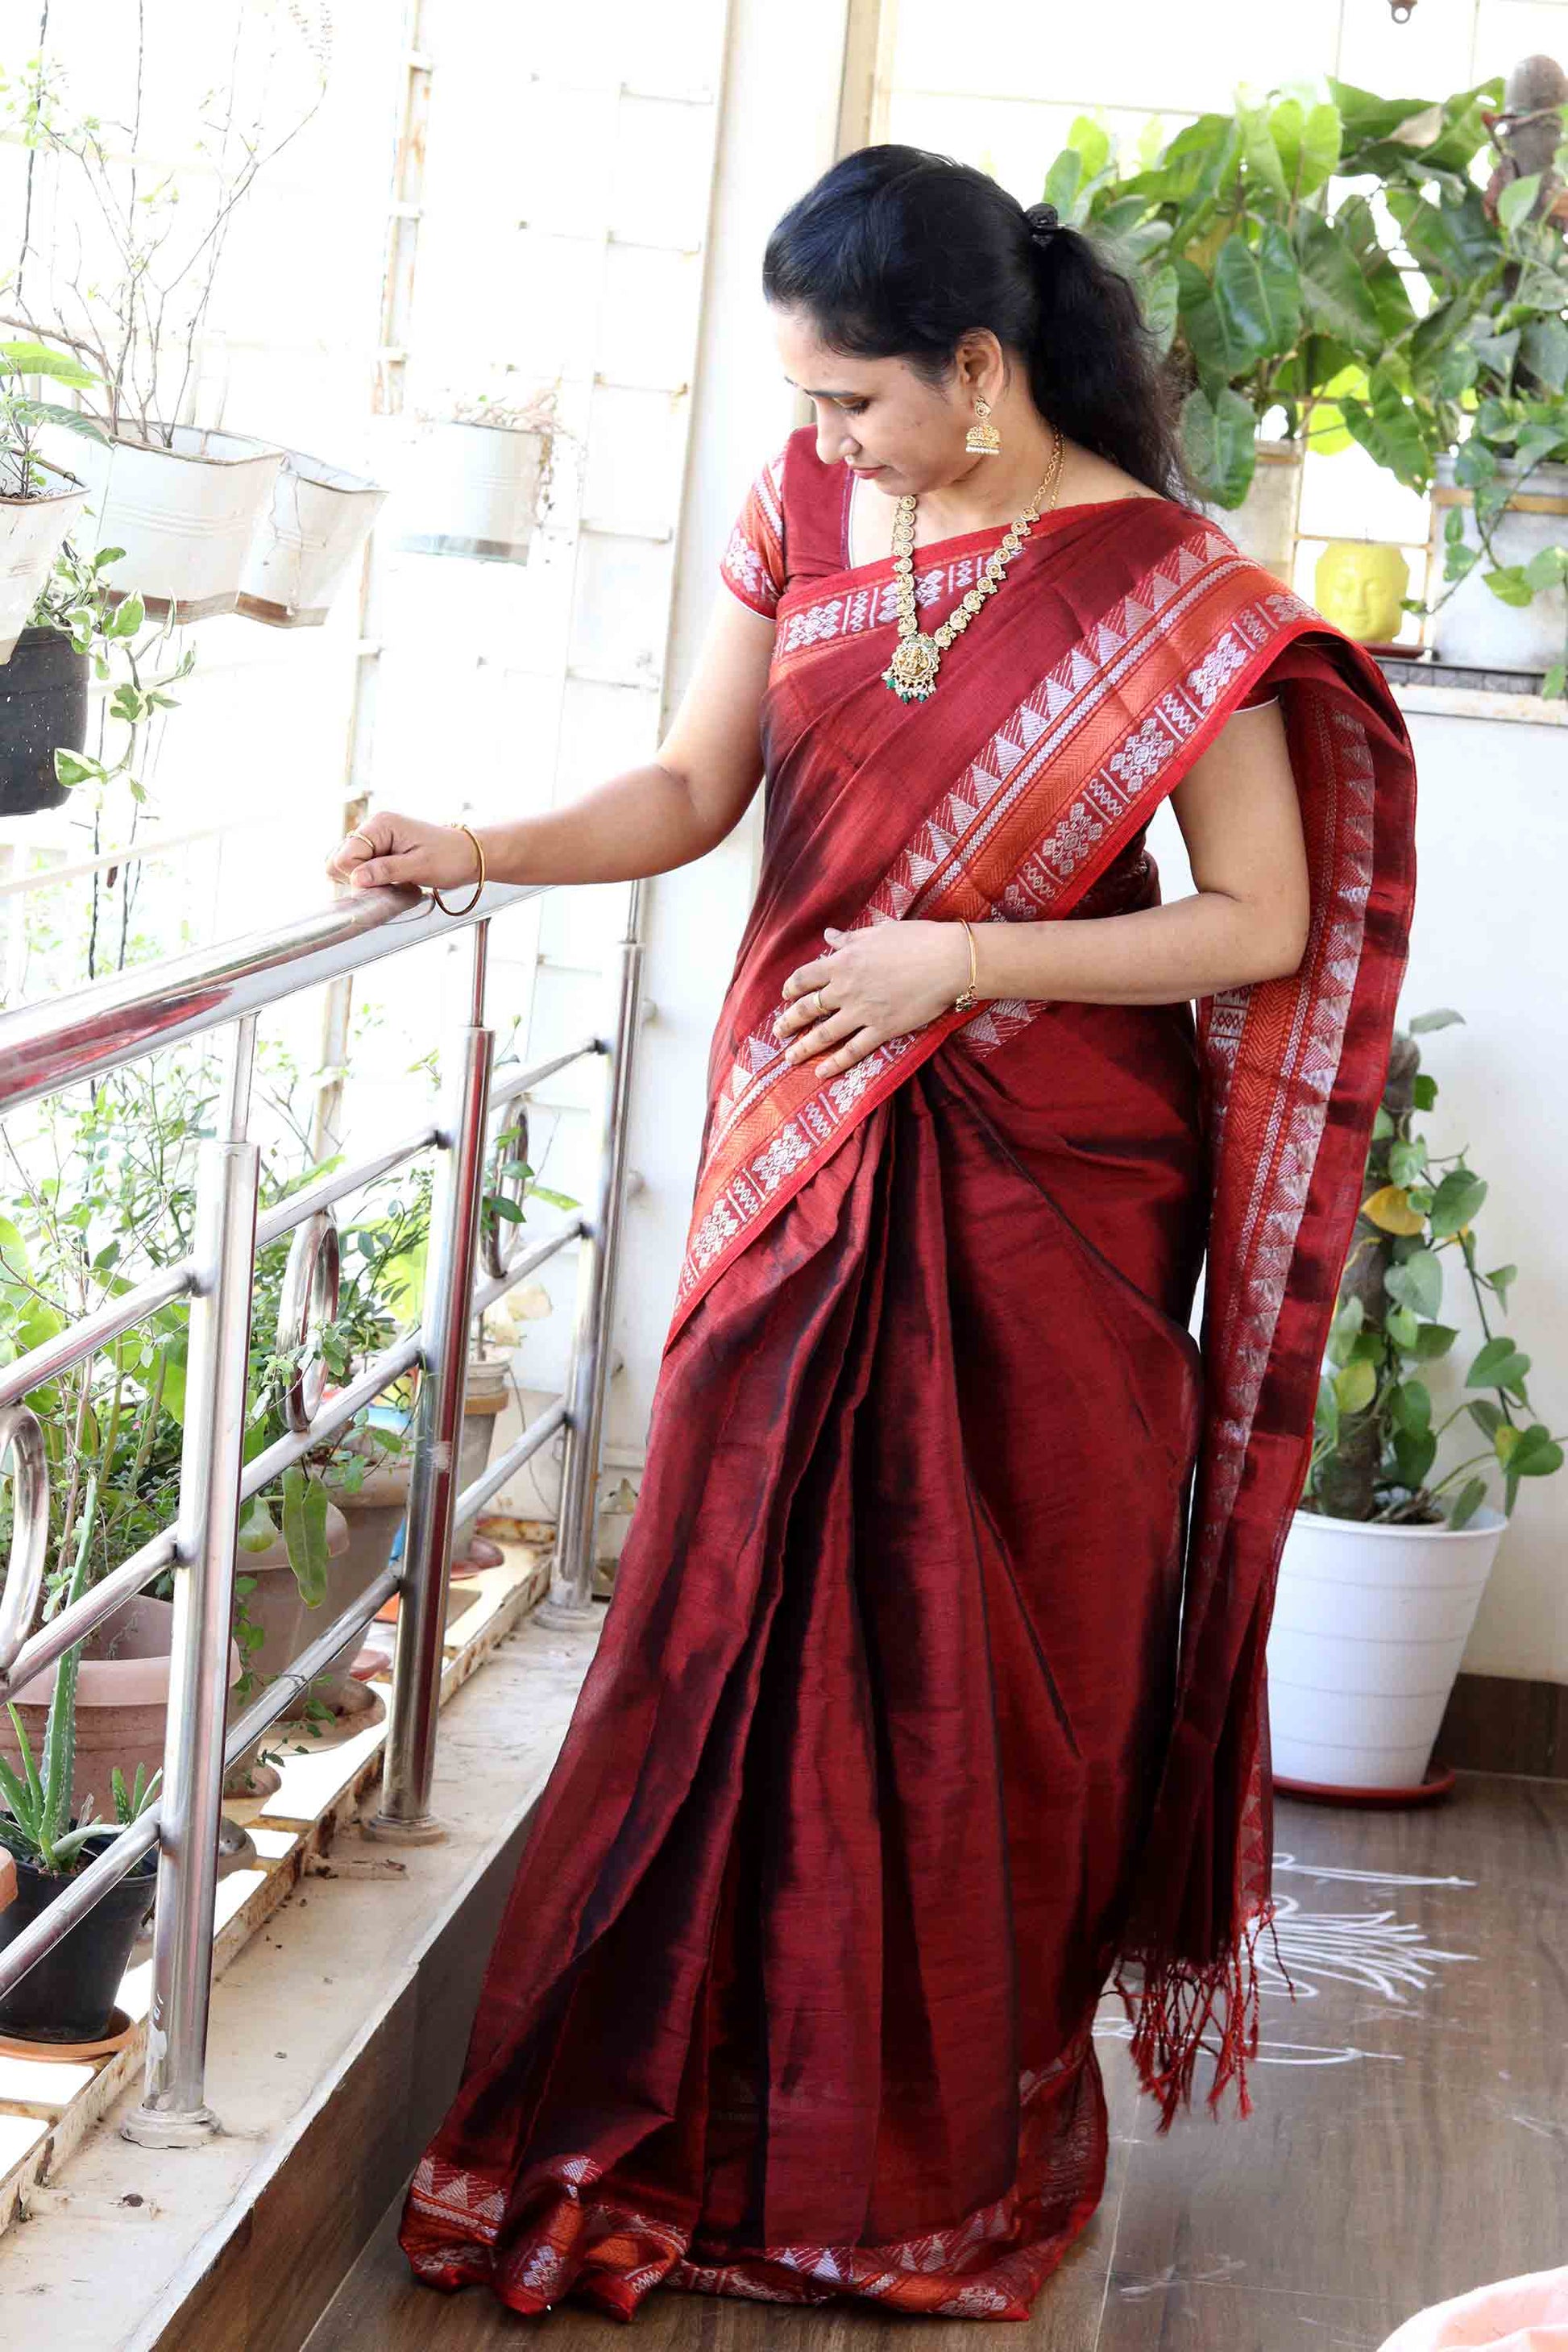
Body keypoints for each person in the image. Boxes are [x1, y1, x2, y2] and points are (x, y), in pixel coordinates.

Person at [328, 144, 1417, 2325]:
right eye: (805, 404)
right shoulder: (804, 511)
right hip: (806, 1150)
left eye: (854, 400)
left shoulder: (1173, 590)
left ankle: (914, 2176)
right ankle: (674, 2130)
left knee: (990, 1682)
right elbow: (688, 791)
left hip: (1053, 1193)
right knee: (724, 1628)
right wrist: (475, 840)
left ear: (979, 369)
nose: (824, 441)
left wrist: (964, 962)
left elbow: (1259, 920)